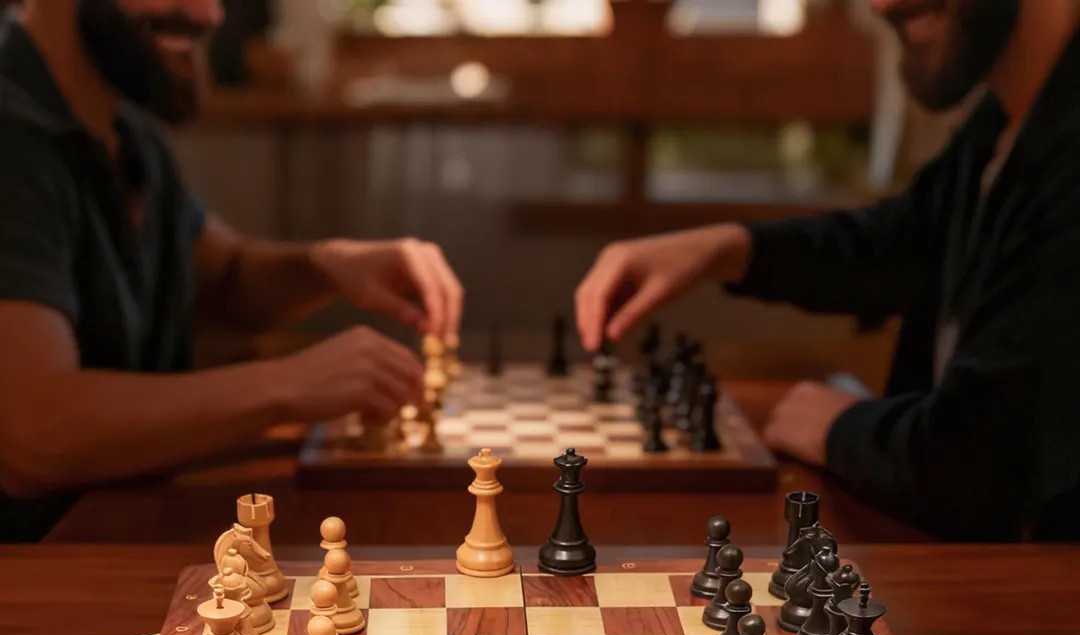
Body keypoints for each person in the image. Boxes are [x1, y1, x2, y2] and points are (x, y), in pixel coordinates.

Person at [575, 0, 1080, 541]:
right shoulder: (1007, 123)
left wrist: (835, 426)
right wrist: (725, 248)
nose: (878, 5)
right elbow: (903, 243)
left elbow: (979, 465)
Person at [0, 0, 464, 539]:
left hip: (121, 531)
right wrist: (286, 383)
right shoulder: (12, 139)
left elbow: (219, 279)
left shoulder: (121, 128)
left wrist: (329, 266)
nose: (209, 14)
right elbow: (30, 434)